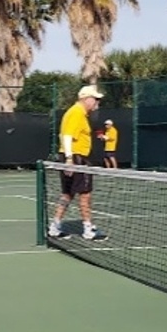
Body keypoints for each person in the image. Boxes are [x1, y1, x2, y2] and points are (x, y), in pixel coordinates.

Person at [49, 85, 107, 241]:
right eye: (95, 99)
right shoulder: (76, 113)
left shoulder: (77, 113)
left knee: (67, 193)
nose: (97, 103)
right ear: (86, 98)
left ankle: (55, 226)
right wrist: (69, 159)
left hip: (72, 157)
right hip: (77, 158)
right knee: (85, 194)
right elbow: (67, 136)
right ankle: (88, 229)